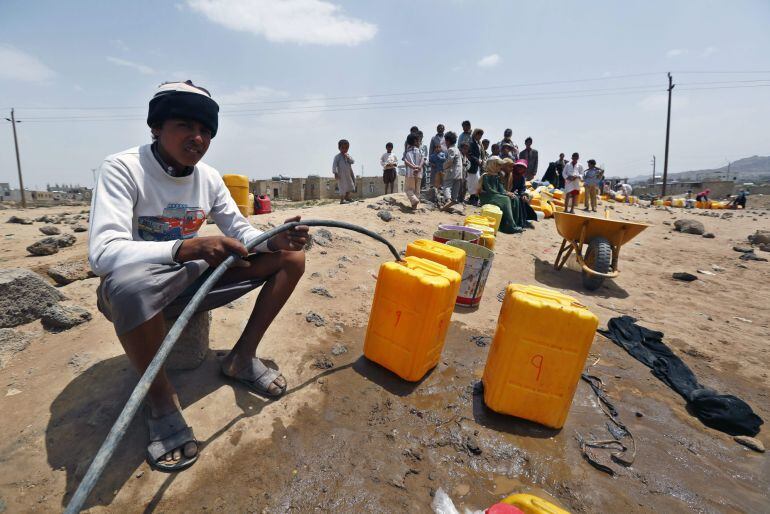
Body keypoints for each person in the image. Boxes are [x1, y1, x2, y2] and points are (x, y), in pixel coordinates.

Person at [88, 81, 309, 472]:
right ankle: (161, 401)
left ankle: (242, 359)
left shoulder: (208, 177)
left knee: (291, 257)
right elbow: (103, 254)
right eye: (185, 126)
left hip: (191, 280)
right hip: (140, 289)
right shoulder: (123, 168)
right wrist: (184, 247)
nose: (197, 137)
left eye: (206, 130)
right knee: (128, 287)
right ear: (156, 127)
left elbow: (241, 232)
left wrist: (275, 240)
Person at [479, 158, 523, 234]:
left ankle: (515, 223)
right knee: (505, 199)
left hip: (496, 195)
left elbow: (501, 189)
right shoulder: (486, 176)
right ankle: (510, 226)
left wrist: (508, 193)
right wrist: (504, 194)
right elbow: (490, 190)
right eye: (498, 165)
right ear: (493, 165)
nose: (500, 167)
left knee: (515, 198)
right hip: (487, 196)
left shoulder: (497, 176)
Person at [440, 131, 464, 211]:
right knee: (455, 188)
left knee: (447, 186)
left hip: (452, 172)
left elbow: (450, 161)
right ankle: (453, 201)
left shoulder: (451, 149)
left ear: (448, 141)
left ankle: (448, 200)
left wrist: (444, 166)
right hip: (459, 173)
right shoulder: (457, 149)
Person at [403, 133, 424, 209]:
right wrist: (419, 167)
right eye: (419, 141)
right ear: (415, 141)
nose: (420, 143)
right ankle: (414, 207)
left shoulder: (407, 152)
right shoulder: (420, 151)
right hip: (419, 173)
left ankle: (414, 200)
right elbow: (422, 159)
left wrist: (413, 167)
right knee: (417, 190)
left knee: (408, 189)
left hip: (410, 174)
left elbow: (406, 161)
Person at [333, 139, 356, 204]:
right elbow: (334, 165)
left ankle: (347, 197)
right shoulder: (337, 157)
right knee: (342, 186)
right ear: (339, 148)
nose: (344, 149)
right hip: (341, 175)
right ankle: (342, 200)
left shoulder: (348, 155)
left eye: (346, 148)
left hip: (349, 173)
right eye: (343, 148)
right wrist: (335, 173)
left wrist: (348, 157)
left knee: (350, 185)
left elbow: (353, 161)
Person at [467, 128, 485, 206]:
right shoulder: (471, 143)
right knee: (473, 182)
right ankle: (472, 198)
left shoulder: (479, 143)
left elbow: (481, 154)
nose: (480, 136)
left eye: (481, 135)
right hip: (472, 165)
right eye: (478, 134)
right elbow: (469, 155)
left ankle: (474, 198)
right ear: (475, 134)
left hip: (477, 166)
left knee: (477, 182)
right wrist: (477, 160)